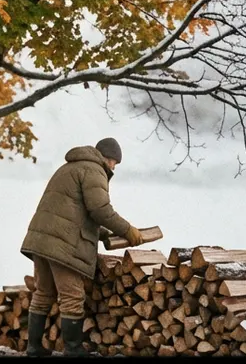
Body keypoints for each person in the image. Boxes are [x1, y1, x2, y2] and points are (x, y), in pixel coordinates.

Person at [21, 137, 143, 357]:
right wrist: (127, 230)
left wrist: (104, 233)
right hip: (62, 243)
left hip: (41, 238)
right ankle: (73, 349)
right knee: (72, 296)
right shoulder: (94, 170)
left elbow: (75, 212)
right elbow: (100, 210)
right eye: (115, 162)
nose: (114, 167)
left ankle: (34, 347)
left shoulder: (69, 167)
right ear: (108, 158)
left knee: (43, 292)